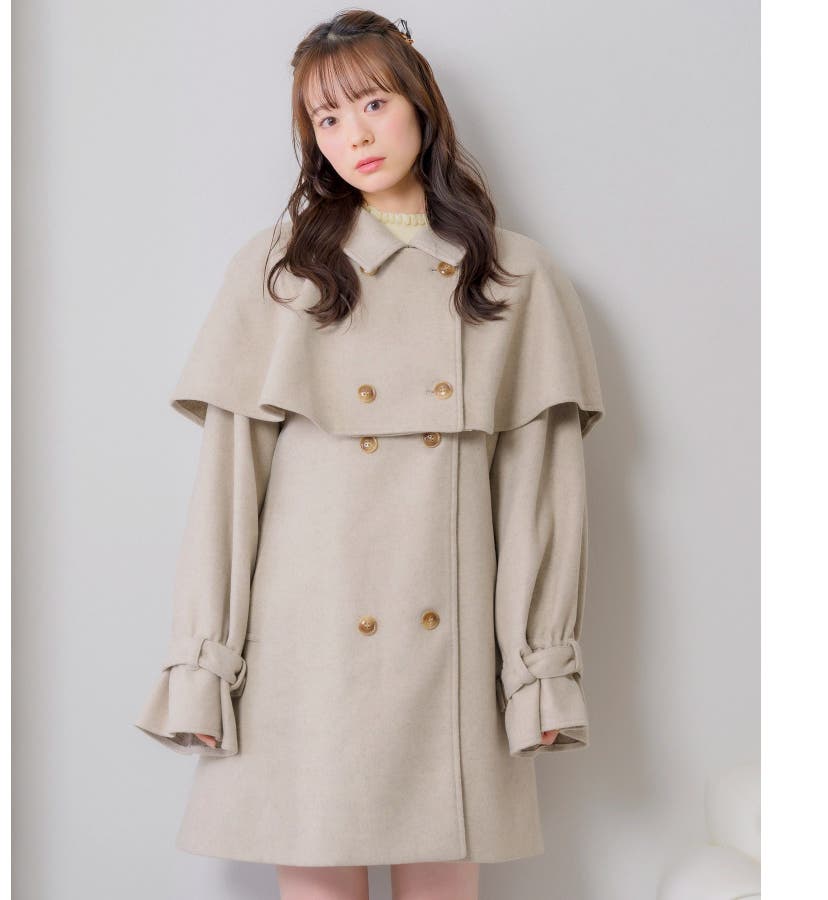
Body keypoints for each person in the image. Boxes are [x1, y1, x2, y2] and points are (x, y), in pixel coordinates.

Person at [134, 10, 605, 900]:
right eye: (327, 117)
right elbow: (228, 492)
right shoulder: (280, 271)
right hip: (305, 649)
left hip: (450, 658)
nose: (353, 134)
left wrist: (538, 668)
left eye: (373, 104)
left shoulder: (514, 278)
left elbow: (540, 497)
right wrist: (204, 665)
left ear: (422, 106)